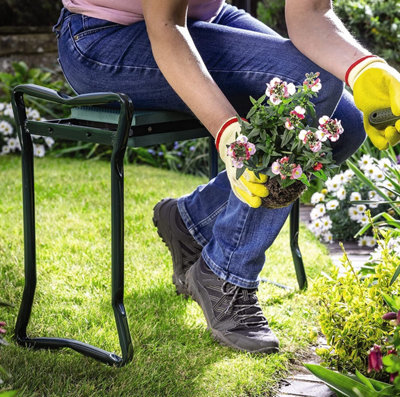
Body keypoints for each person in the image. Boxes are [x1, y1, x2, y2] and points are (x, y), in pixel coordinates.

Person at [54, 0, 400, 354]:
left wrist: (367, 70)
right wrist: (228, 133)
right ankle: (226, 274)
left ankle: (190, 222)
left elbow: (311, 13)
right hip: (103, 38)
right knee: (305, 84)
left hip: (205, 18)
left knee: (344, 122)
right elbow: (165, 26)